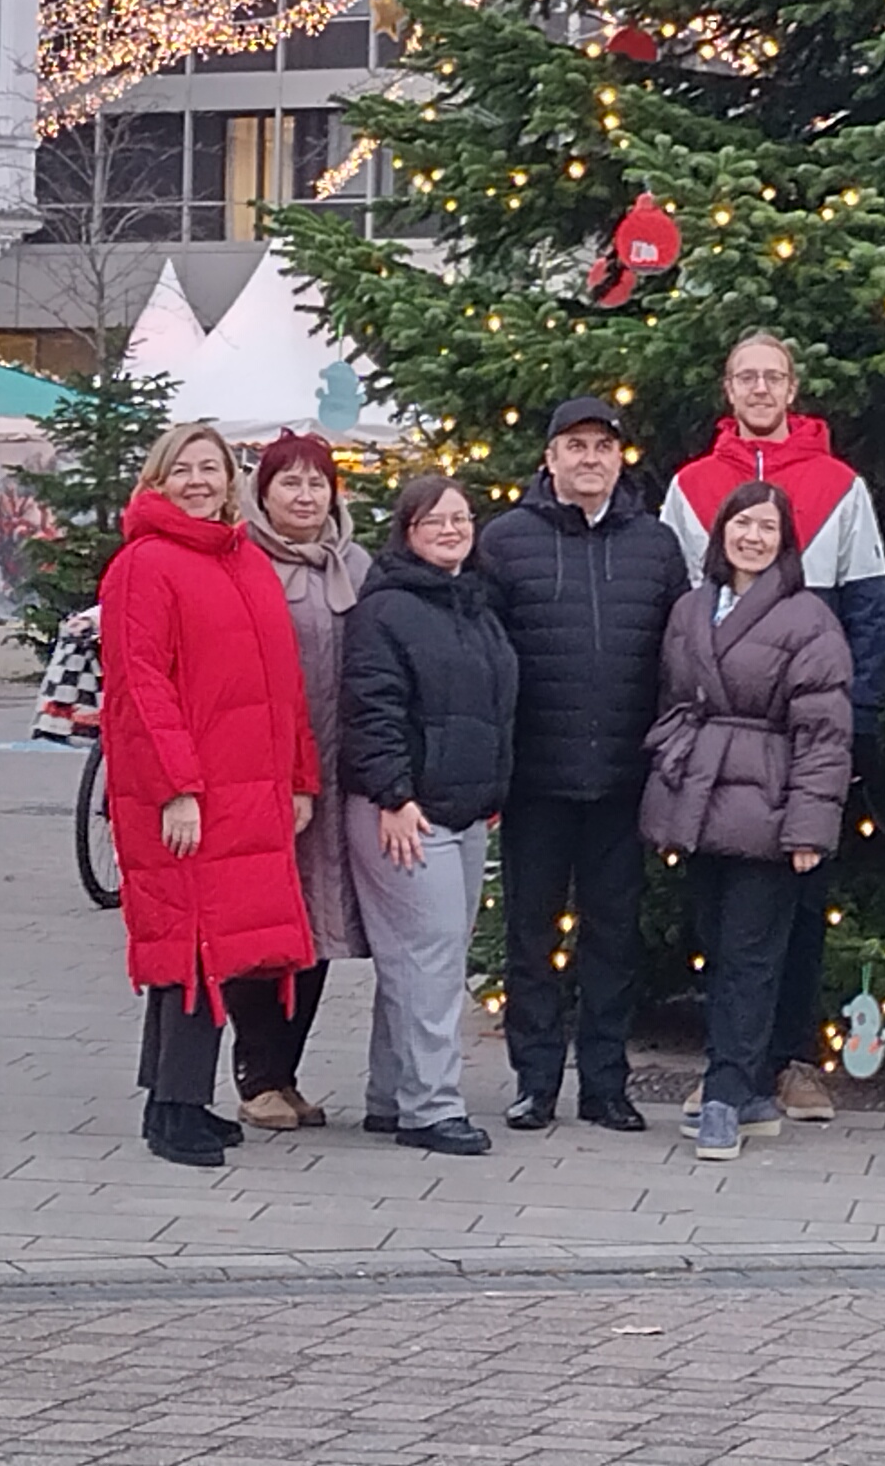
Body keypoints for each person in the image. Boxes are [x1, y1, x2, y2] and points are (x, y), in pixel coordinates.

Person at [659, 332, 885, 1121]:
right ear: (727, 388)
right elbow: (680, 621)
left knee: (799, 907)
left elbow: (870, 613)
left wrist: (849, 736)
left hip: (806, 746)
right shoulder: (692, 488)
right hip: (717, 756)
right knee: (725, 921)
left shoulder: (840, 485)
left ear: (793, 388)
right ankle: (732, 1069)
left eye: (773, 377)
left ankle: (790, 1060)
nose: (759, 388)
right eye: (745, 376)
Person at [98, 420, 320, 1170]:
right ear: (157, 481)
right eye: (182, 469)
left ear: (231, 480)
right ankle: (174, 1111)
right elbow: (141, 685)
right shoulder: (145, 565)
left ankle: (177, 1095)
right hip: (189, 791)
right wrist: (176, 789)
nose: (198, 480)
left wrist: (297, 780)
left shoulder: (243, 561)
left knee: (213, 945)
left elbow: (282, 686)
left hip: (246, 788)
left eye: (211, 468)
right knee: (189, 943)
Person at [472, 393, 689, 1133]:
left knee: (613, 938)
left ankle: (606, 1084)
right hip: (535, 778)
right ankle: (535, 1082)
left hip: (624, 778)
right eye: (576, 446)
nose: (589, 459)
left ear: (619, 458)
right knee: (531, 939)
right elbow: (484, 658)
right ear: (550, 457)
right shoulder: (504, 540)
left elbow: (678, 656)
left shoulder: (655, 545)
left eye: (603, 446)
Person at [642, 480, 855, 1161]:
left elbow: (825, 735)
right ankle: (755, 1091)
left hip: (768, 802)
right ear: (721, 531)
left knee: (751, 956)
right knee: (717, 945)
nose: (753, 537)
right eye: (742, 524)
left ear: (785, 540)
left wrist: (807, 829)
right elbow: (674, 699)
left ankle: (727, 1093)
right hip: (703, 802)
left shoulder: (809, 619)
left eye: (767, 527)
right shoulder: (690, 609)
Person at [338, 472, 518, 1155]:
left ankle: (392, 1096)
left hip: (465, 811)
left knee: (418, 960)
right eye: (435, 520)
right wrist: (392, 794)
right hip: (405, 813)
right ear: (407, 531)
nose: (452, 529)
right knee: (431, 963)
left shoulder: (475, 604)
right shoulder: (385, 610)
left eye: (461, 518)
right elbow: (371, 708)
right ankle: (432, 1108)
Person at [233, 429, 373, 1128]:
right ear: (262, 494)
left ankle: (286, 1071)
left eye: (316, 483)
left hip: (338, 772)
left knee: (316, 925)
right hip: (264, 773)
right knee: (262, 920)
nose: (305, 495)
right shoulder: (241, 562)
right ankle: (255, 1072)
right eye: (289, 483)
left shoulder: (357, 565)